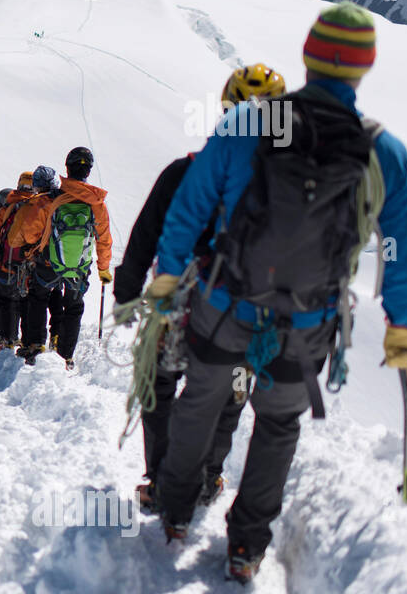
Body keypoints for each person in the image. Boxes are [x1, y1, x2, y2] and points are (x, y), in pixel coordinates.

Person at [149, 2, 407, 583]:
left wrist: (170, 275)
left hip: (225, 306)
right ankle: (246, 545)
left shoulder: (250, 125)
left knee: (200, 402)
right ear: (364, 68)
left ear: (307, 55)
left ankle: (175, 509)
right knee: (277, 426)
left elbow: (189, 207)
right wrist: (402, 326)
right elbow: (403, 248)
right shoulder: (381, 150)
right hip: (307, 322)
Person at [115, 65, 288, 510]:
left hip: (177, 302)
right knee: (229, 390)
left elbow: (146, 233)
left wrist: (127, 289)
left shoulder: (184, 171)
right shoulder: (283, 184)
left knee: (159, 383)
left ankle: (163, 478)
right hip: (249, 306)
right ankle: (209, 474)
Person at [12, 152, 112, 367]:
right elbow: (104, 240)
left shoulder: (52, 198)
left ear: (67, 168)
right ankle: (65, 355)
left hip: (49, 262)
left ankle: (36, 345)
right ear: (88, 171)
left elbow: (30, 233)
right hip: (79, 267)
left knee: (38, 297)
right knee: (74, 306)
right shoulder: (97, 204)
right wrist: (104, 269)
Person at [0, 174, 37, 349]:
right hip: (30, 266)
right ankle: (28, 342)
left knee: (6, 302)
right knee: (28, 304)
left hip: (5, 264)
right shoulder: (39, 206)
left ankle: (6, 339)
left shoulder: (8, 207)